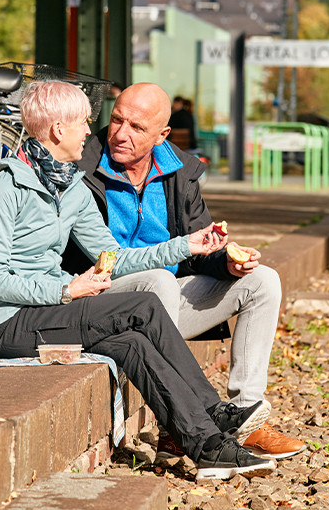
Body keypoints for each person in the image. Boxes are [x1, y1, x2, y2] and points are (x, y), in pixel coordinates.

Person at [0, 81, 276, 480]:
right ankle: (213, 410)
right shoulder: (5, 191)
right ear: (59, 130)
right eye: (85, 122)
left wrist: (186, 245)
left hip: (51, 312)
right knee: (143, 306)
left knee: (133, 344)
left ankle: (206, 447)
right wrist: (65, 289)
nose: (91, 131)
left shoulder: (71, 190)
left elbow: (115, 259)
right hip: (10, 324)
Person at [64, 82, 306, 461]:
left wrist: (225, 261)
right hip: (102, 299)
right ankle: (178, 425)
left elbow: (196, 251)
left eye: (136, 127)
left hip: (165, 308)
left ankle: (248, 416)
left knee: (263, 281)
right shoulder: (81, 166)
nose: (121, 134)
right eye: (116, 120)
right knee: (158, 278)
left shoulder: (180, 172)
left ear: (162, 135)